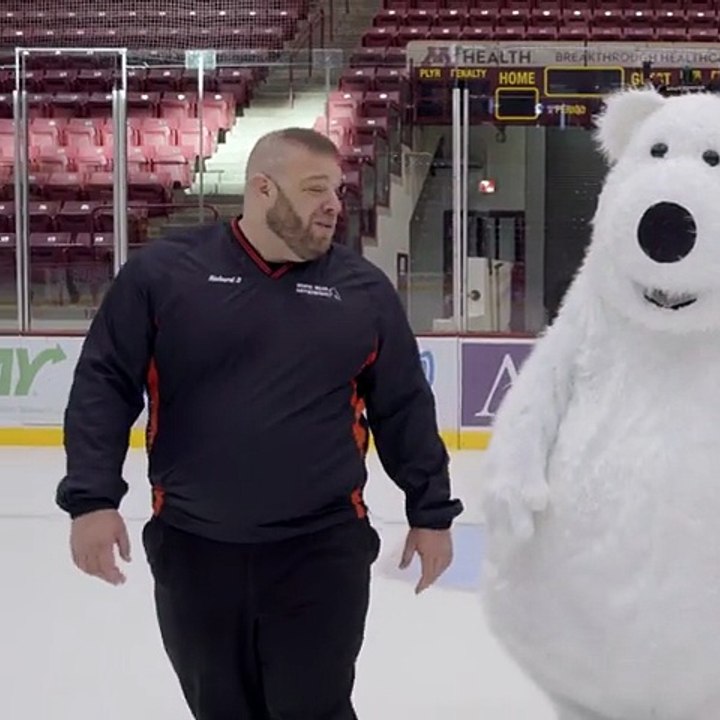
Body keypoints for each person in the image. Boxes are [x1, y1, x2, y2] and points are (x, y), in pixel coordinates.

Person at [55, 127, 462, 720]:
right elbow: (104, 384)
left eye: (337, 190)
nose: (334, 204)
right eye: (315, 188)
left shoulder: (363, 292)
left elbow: (404, 408)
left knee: (313, 709)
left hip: (321, 550)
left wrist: (431, 512)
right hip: (194, 549)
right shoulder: (165, 275)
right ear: (263, 189)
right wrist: (92, 500)